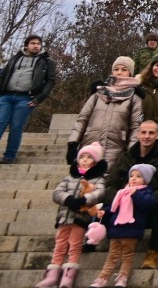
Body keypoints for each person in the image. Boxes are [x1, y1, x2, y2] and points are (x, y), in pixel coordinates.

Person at [104, 120, 158, 271]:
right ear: (138, 134)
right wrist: (121, 197)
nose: (147, 136)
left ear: (157, 135)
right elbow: (111, 184)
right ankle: (101, 241)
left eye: (151, 133)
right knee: (103, 203)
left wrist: (147, 198)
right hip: (126, 205)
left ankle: (153, 251)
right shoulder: (126, 156)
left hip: (150, 206)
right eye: (143, 132)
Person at [38, 142, 108, 288]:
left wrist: (84, 199)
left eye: (89, 157)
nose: (85, 159)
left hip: (81, 218)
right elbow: (57, 193)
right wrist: (68, 199)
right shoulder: (70, 177)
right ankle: (53, 272)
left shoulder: (98, 178)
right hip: (64, 217)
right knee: (60, 244)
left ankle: (69, 273)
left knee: (75, 245)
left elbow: (100, 192)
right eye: (82, 156)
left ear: (95, 162)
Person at [69, 57, 143, 172]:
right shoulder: (98, 93)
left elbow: (136, 127)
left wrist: (131, 152)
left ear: (130, 73)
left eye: (124, 69)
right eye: (116, 69)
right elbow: (82, 119)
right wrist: (73, 143)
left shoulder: (135, 97)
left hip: (116, 148)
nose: (119, 72)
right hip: (89, 146)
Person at [90, 164, 157, 288]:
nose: (133, 178)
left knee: (127, 255)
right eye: (131, 176)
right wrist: (104, 212)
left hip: (132, 229)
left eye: (138, 176)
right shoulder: (122, 192)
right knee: (112, 255)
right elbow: (114, 208)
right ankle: (102, 277)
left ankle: (123, 277)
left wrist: (135, 194)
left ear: (146, 179)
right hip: (116, 228)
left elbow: (147, 204)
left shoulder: (146, 192)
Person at [0, 34, 57, 163]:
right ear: (26, 45)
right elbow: (4, 74)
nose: (36, 45)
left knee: (16, 127)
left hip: (26, 98)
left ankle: (9, 156)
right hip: (6, 96)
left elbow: (50, 81)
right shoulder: (16, 58)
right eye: (33, 43)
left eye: (38, 43)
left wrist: (39, 99)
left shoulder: (47, 61)